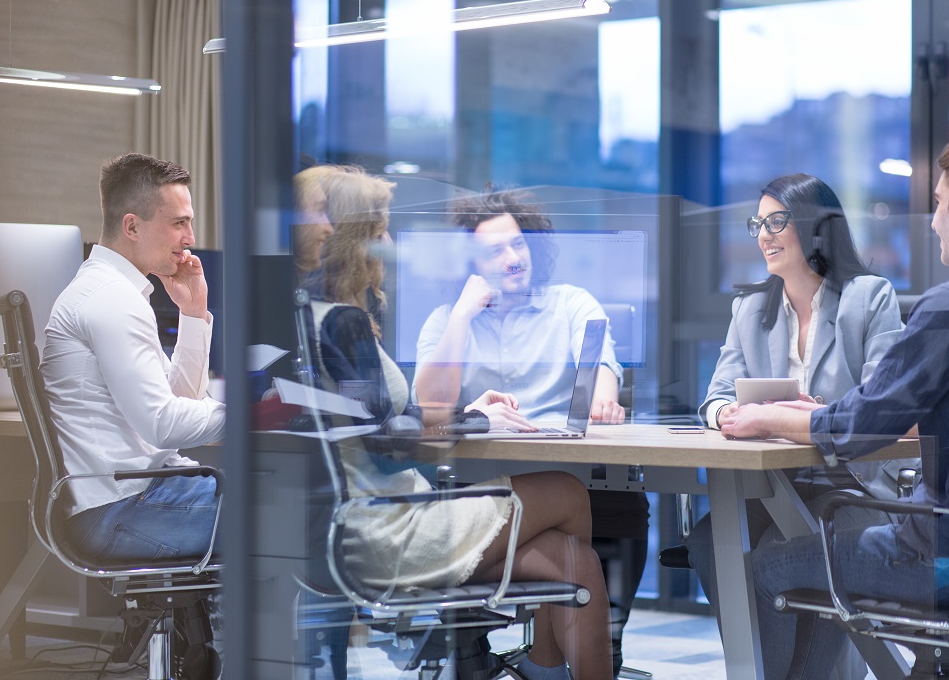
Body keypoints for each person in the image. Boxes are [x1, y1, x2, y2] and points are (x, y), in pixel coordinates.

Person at [296, 165, 612, 680]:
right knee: (569, 493)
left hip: (361, 521)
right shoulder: (342, 322)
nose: (388, 241)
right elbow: (385, 441)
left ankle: (546, 669)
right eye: (380, 230)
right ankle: (547, 666)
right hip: (385, 530)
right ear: (358, 240)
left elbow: (376, 420)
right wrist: (472, 419)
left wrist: (468, 414)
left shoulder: (311, 316)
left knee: (576, 562)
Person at [721, 134, 949, 679]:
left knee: (759, 570)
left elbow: (862, 426)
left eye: (939, 204)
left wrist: (770, 417)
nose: (932, 223)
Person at [411, 189, 646, 679]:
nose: (513, 258)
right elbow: (429, 406)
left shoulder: (569, 303)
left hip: (562, 485)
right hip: (475, 499)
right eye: (495, 251)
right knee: (572, 546)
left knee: (582, 533)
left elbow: (601, 357)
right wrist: (462, 312)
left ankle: (544, 663)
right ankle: (544, 664)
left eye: (518, 244)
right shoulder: (446, 320)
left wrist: (604, 394)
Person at [687, 174, 910, 676]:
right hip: (775, 483)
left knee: (776, 550)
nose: (763, 234)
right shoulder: (749, 309)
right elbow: (715, 398)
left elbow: (883, 403)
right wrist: (729, 415)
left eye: (776, 221)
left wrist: (810, 414)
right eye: (757, 224)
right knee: (708, 540)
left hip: (852, 485)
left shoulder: (868, 297)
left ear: (813, 227)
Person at [43, 153, 226, 562]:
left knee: (284, 502)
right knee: (297, 514)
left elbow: (181, 402)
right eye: (179, 222)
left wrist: (193, 314)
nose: (190, 237)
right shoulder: (110, 300)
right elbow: (163, 425)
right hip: (123, 507)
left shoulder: (116, 293)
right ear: (131, 226)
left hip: (141, 493)